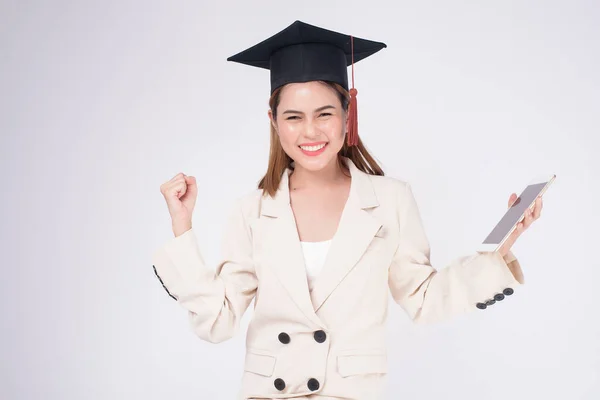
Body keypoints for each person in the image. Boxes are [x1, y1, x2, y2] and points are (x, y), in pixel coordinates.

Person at [151, 20, 543, 400]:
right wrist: (182, 226)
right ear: (273, 122)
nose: (310, 132)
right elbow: (218, 323)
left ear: (347, 114)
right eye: (293, 117)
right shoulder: (251, 211)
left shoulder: (390, 200)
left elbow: (424, 298)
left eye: (324, 113)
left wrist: (501, 248)